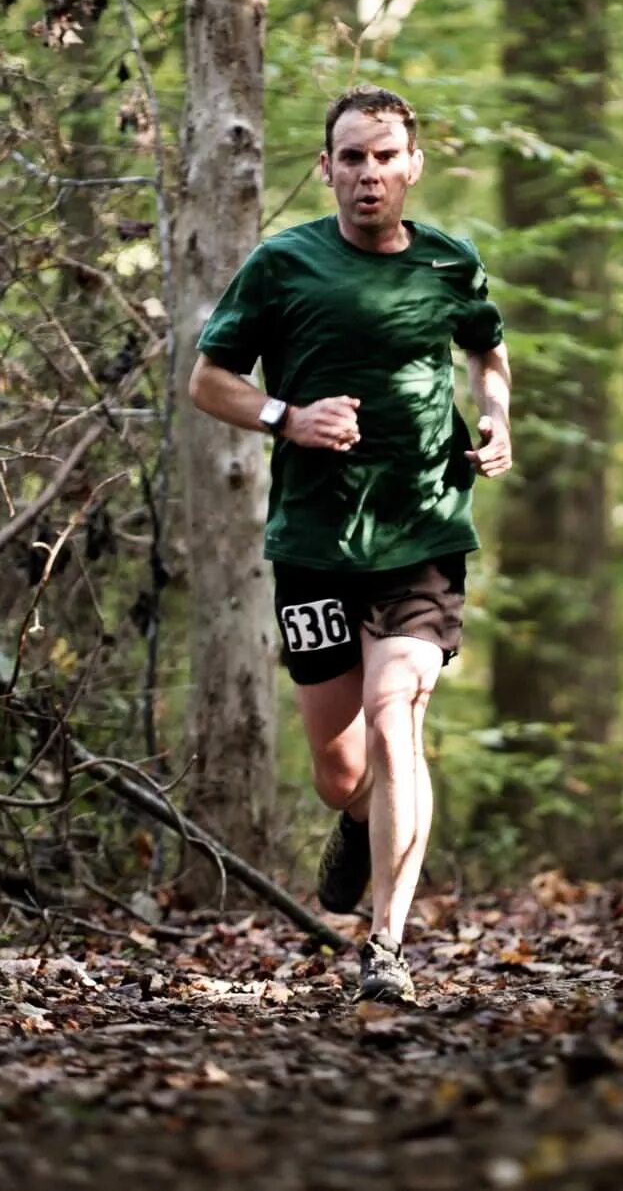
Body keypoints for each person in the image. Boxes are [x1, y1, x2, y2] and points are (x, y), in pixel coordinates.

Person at [187, 85, 513, 1004]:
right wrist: (287, 416)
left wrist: (495, 418)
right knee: (342, 772)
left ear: (413, 164)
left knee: (395, 710)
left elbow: (489, 351)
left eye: (385, 157)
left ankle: (388, 950)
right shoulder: (284, 265)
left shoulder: (451, 263)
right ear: (325, 168)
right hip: (316, 539)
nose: (369, 175)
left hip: (423, 529)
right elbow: (209, 381)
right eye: (351, 159)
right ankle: (357, 826)